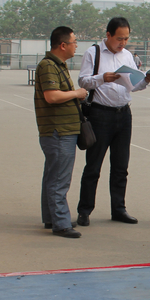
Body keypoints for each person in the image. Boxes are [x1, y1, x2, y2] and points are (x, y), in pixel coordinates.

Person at [76, 17, 150, 226]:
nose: (123, 43)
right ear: (108, 35)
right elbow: (83, 81)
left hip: (123, 114)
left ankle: (119, 209)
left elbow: (133, 86)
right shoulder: (93, 53)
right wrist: (103, 78)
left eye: (126, 39)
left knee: (121, 166)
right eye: (119, 38)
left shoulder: (127, 55)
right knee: (93, 166)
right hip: (100, 114)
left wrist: (144, 81)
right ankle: (84, 210)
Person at [34, 27, 87, 238]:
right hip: (59, 130)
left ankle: (53, 217)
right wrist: (77, 93)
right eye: (74, 42)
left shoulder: (58, 65)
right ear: (63, 45)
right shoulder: (48, 66)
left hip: (62, 129)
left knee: (53, 176)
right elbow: (52, 96)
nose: (76, 46)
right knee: (59, 179)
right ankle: (61, 223)